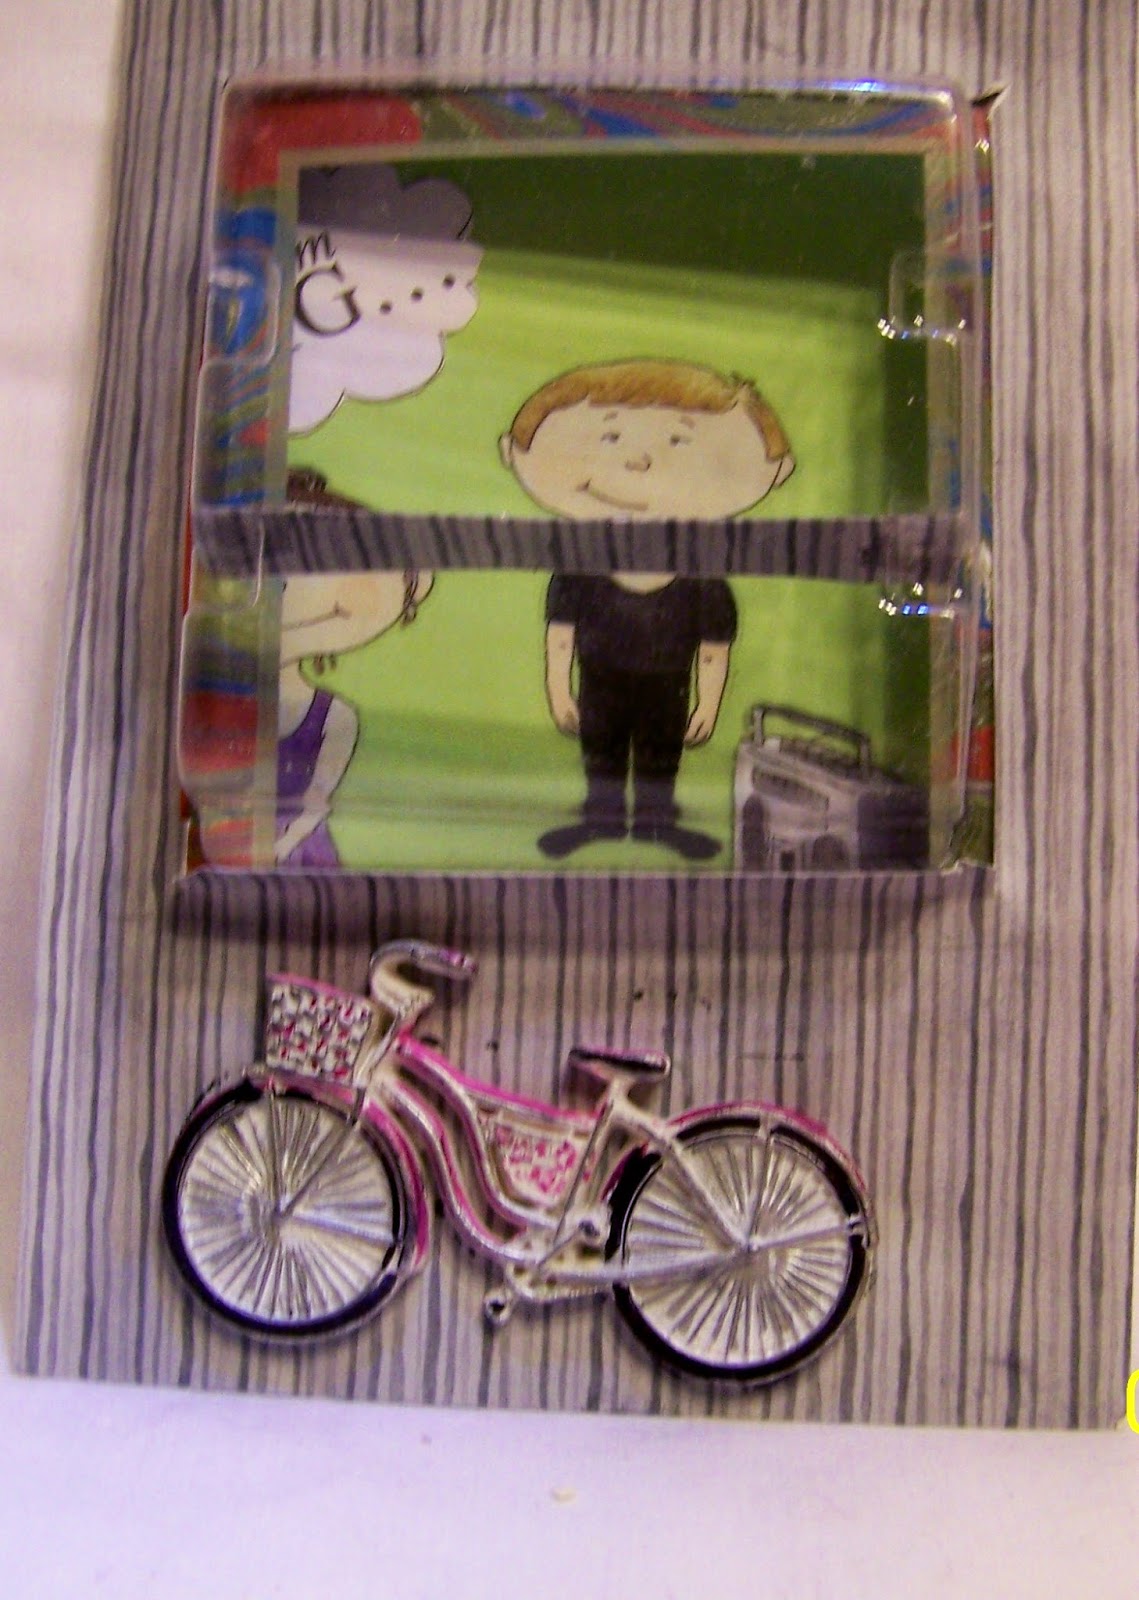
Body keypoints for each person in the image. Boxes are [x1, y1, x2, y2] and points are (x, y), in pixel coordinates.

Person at [499, 359, 794, 860]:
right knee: (602, 754)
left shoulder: (703, 581)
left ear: (777, 470)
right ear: (514, 451)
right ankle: (601, 819)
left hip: (668, 686)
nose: (639, 461)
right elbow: (561, 635)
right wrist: (558, 688)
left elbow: (714, 649)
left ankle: (659, 825)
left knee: (662, 756)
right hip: (600, 681)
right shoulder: (578, 570)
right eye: (609, 437)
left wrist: (707, 705)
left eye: (679, 441)